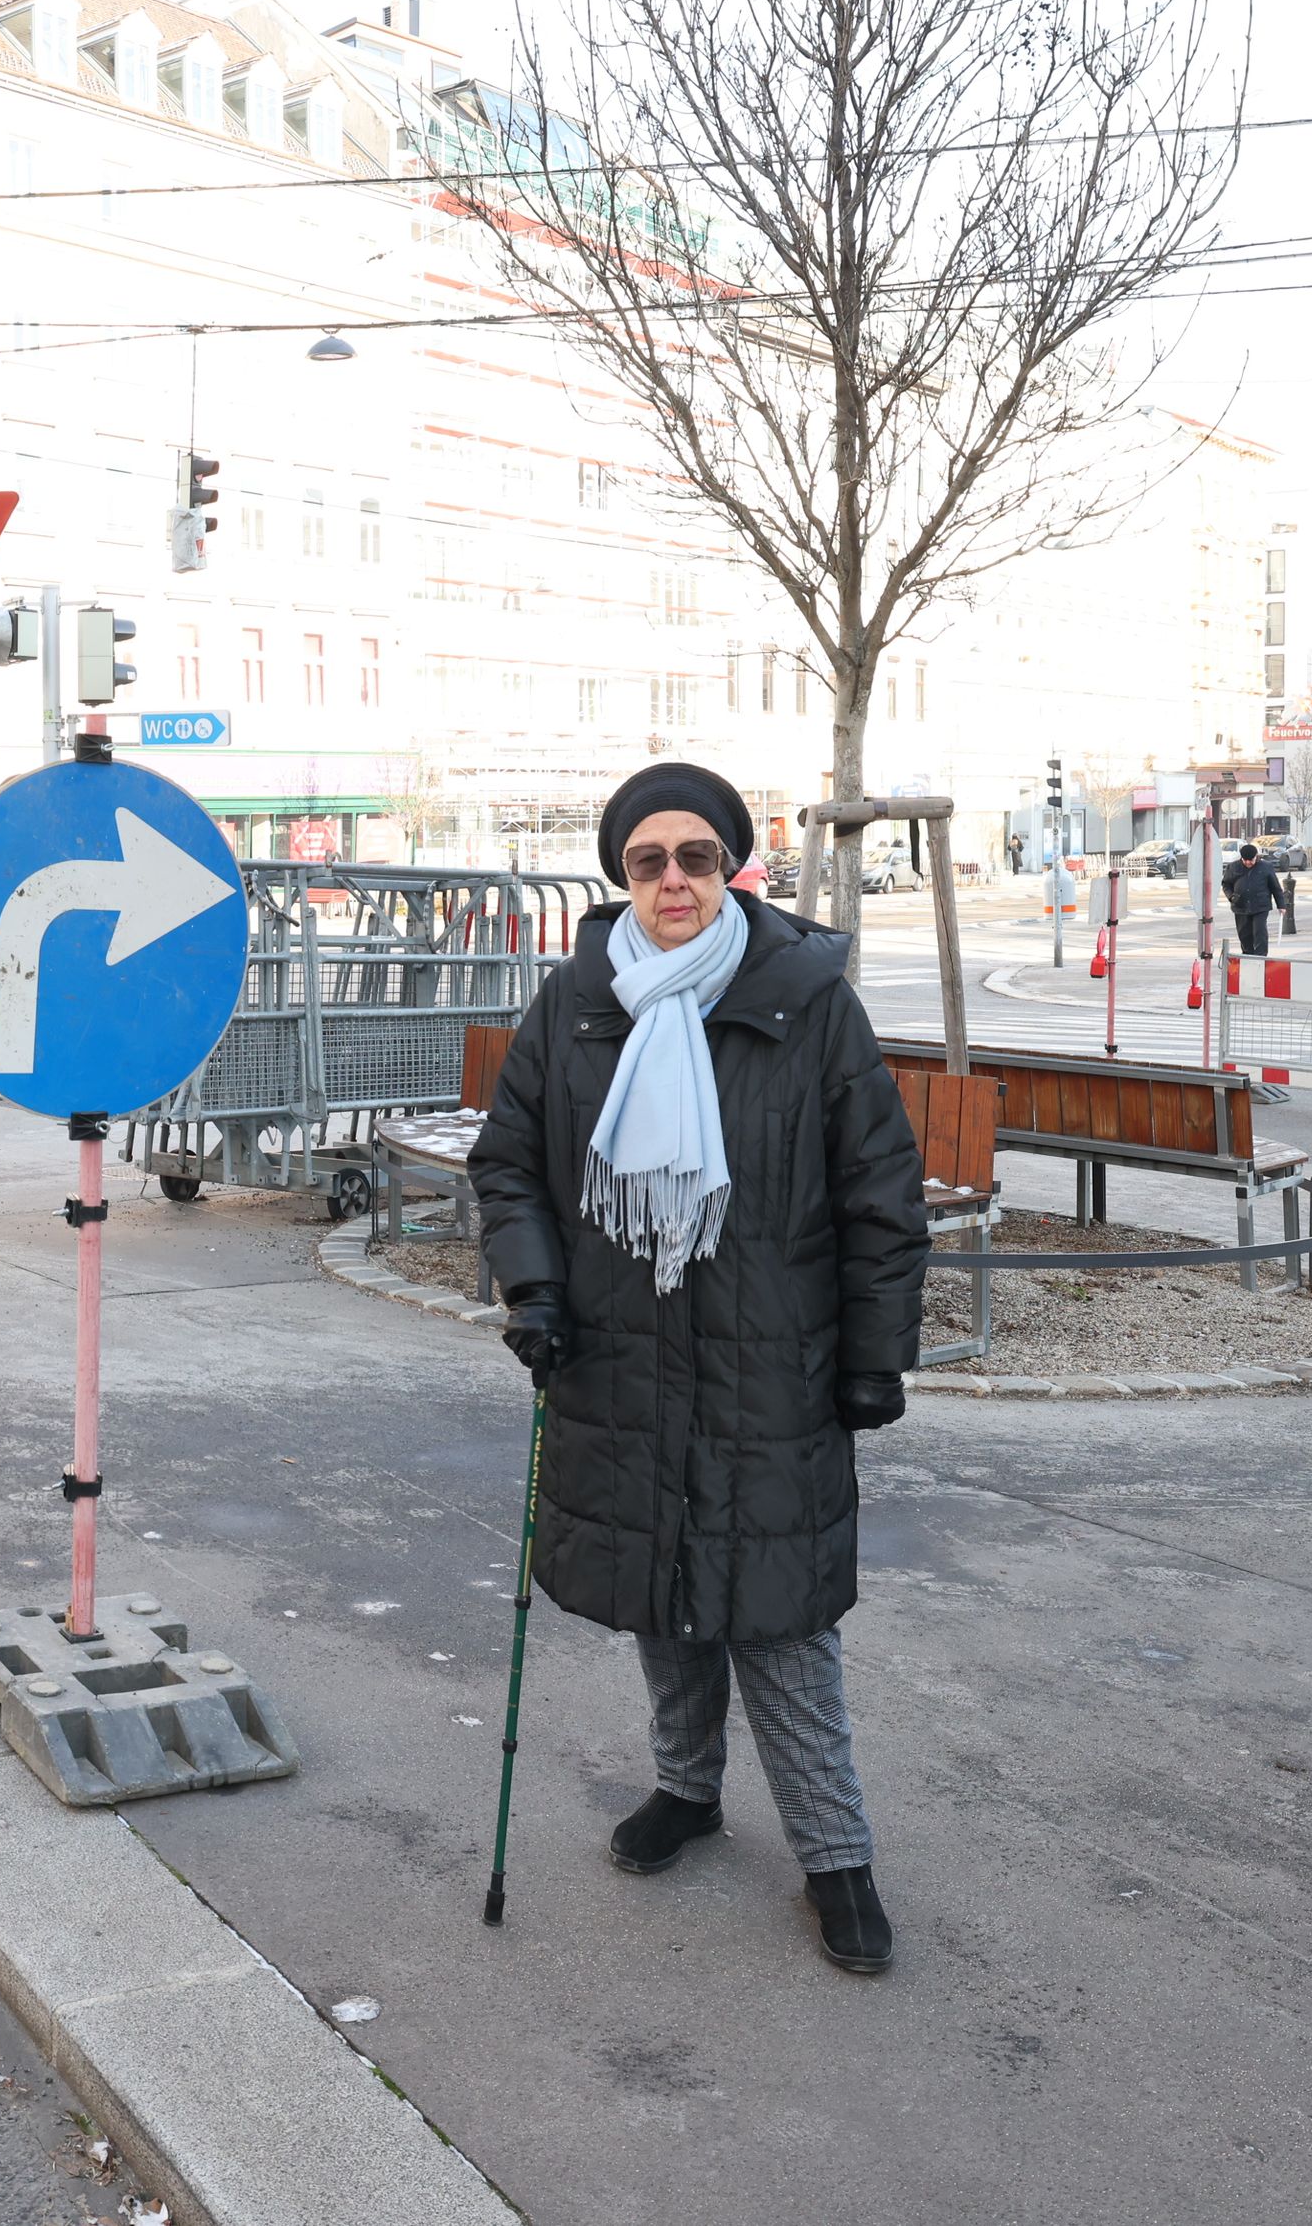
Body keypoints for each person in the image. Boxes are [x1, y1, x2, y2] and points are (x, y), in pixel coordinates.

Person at [466, 761, 929, 1976]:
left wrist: (877, 1358)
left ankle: (836, 1858)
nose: (672, 881)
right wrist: (536, 1290)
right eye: (646, 862)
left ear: (734, 866)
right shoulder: (575, 1000)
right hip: (617, 1355)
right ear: (620, 876)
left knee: (777, 1622)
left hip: (770, 1366)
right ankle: (687, 1789)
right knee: (661, 1594)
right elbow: (509, 1164)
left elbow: (879, 1192)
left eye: (696, 858)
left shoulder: (806, 1001)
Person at [1222, 840, 1275, 959]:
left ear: (1256, 857)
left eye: (1250, 860)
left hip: (1260, 906)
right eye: (1245, 860)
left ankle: (1261, 957)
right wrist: (1231, 896)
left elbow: (1275, 886)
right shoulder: (1233, 867)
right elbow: (1226, 884)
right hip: (1240, 906)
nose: (1248, 863)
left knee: (1259, 931)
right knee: (1244, 934)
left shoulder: (1266, 867)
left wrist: (1282, 905)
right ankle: (1247, 956)